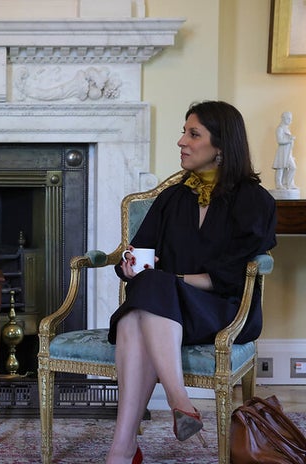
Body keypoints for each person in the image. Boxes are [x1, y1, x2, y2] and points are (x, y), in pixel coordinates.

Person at [105, 101, 277, 464]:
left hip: (223, 311)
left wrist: (171, 280)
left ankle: (152, 422)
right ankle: (134, 439)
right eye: (184, 131)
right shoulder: (172, 197)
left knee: (150, 293)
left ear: (221, 145)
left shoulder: (254, 200)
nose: (181, 141)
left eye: (193, 133)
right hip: (165, 311)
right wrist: (129, 266)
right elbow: (137, 254)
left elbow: (229, 277)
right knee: (143, 301)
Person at [273, 111, 297, 190]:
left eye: (291, 119)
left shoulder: (286, 129)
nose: (290, 120)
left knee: (292, 167)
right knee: (280, 168)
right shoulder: (280, 128)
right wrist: (289, 140)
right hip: (282, 152)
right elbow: (279, 140)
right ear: (283, 118)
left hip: (288, 153)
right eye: (288, 118)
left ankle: (288, 183)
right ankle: (279, 184)